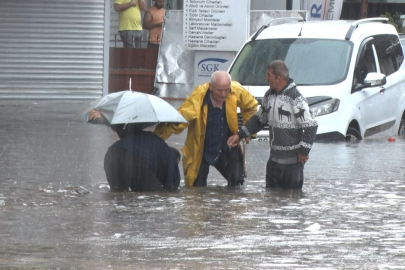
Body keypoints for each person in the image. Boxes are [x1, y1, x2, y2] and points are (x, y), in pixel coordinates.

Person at [153, 71, 258, 187]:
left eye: (226, 90)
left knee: (237, 183)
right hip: (202, 150)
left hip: (227, 147)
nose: (224, 94)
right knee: (196, 189)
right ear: (211, 87)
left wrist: (246, 132)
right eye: (219, 90)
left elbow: (251, 106)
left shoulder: (236, 90)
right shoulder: (198, 97)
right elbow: (177, 121)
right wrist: (154, 139)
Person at [227, 60, 318, 189]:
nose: (266, 78)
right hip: (273, 163)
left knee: (292, 203)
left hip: (292, 165)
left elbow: (311, 126)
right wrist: (240, 134)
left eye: (268, 75)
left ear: (279, 77)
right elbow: (259, 119)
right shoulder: (268, 96)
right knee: (271, 203)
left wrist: (303, 152)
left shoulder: (296, 98)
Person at [88, 109, 180, 192]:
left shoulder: (144, 138)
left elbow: (125, 128)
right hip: (138, 162)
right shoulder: (169, 157)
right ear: (177, 159)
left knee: (117, 196)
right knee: (153, 198)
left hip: (113, 154)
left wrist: (106, 118)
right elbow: (173, 185)